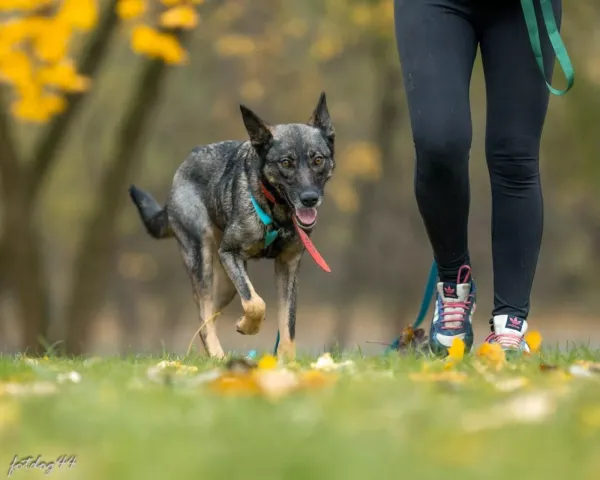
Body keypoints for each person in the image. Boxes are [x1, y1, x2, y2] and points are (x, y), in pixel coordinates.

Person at [393, 0, 568, 355]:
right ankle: (454, 284)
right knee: (438, 142)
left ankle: (510, 322)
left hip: (524, 9)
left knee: (515, 154)